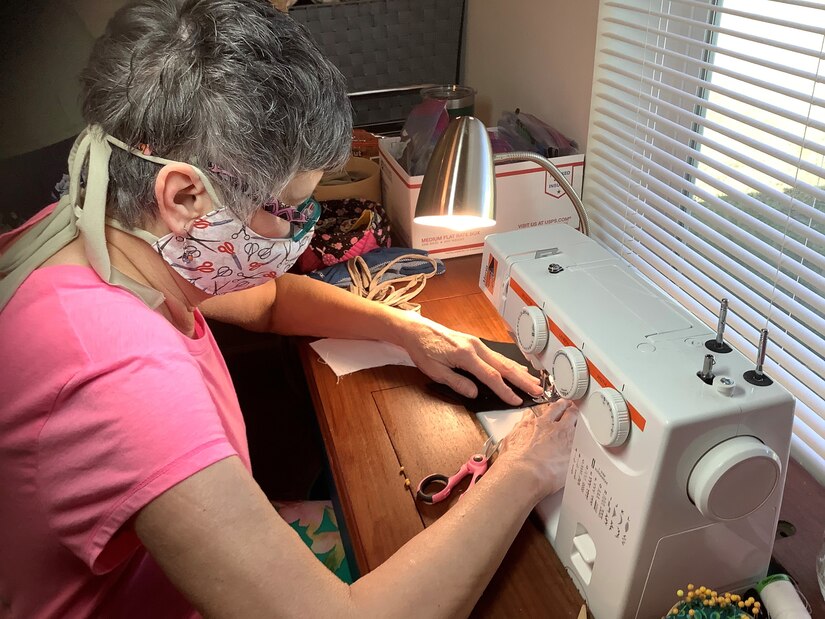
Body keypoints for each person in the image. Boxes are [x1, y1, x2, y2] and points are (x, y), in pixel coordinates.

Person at [0, 0, 578, 616]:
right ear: (185, 195)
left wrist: (409, 331)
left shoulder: (96, 232)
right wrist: (525, 470)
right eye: (285, 209)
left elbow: (270, 300)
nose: (302, 231)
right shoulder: (121, 375)